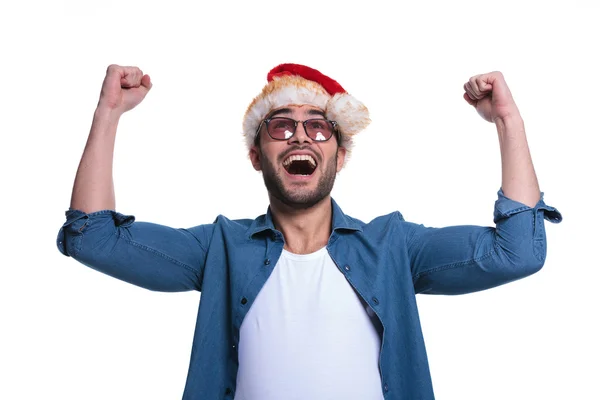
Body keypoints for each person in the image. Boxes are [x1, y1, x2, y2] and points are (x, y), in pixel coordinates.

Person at [57, 63, 562, 400]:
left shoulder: (392, 246)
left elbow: (517, 253)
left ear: (340, 156)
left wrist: (506, 121)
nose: (301, 135)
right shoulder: (221, 249)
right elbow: (93, 239)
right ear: (257, 156)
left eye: (319, 127)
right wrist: (108, 114)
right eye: (281, 126)